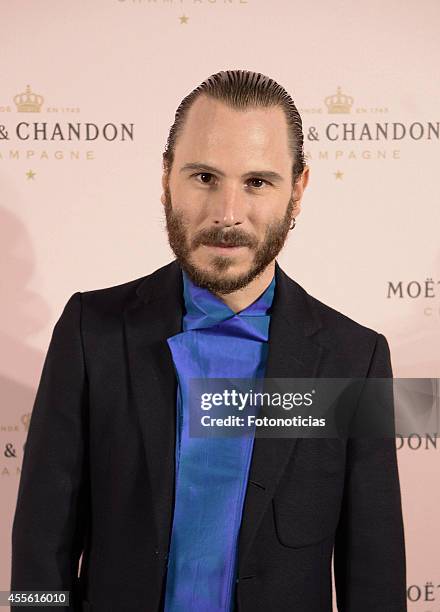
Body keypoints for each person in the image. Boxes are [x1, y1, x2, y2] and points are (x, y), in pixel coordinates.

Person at [11, 70, 407, 612]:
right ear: (166, 177)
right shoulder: (90, 329)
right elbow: (42, 541)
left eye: (257, 182)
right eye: (203, 177)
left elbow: (374, 571)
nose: (227, 213)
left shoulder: (355, 358)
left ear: (299, 189)